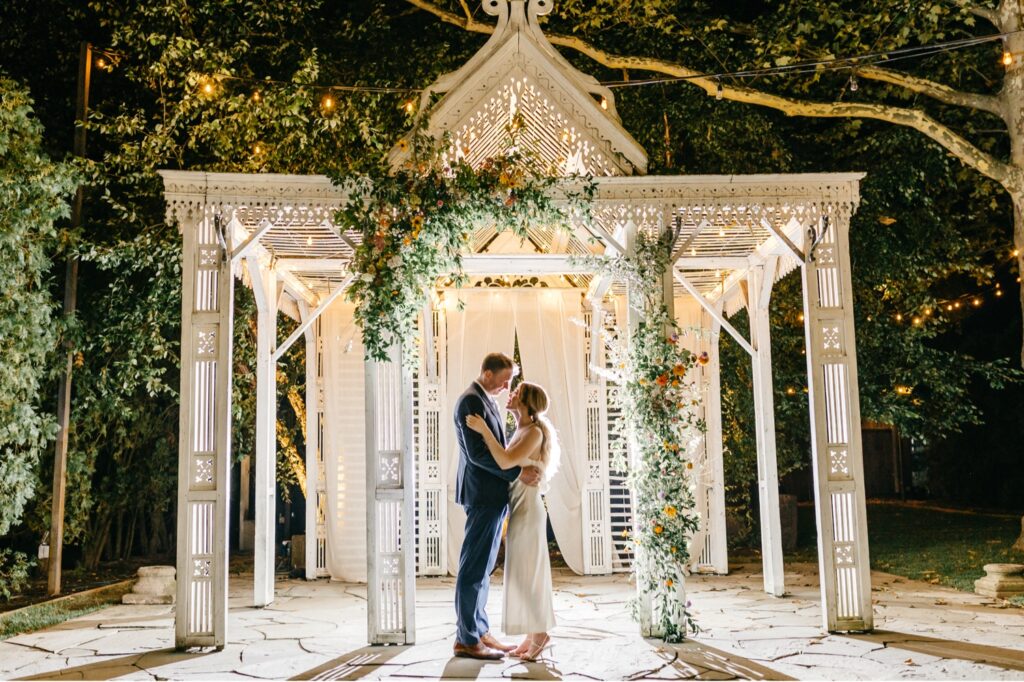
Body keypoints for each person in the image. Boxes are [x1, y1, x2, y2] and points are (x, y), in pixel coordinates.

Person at [452, 353, 542, 660]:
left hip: (493, 496)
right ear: (487, 373)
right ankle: (466, 638)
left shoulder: (485, 399)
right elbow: (478, 455)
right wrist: (518, 473)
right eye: (504, 380)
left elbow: (500, 447)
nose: (507, 386)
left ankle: (480, 629)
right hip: (481, 496)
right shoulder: (469, 402)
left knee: (485, 567)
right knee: (473, 569)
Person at [466, 380, 560, 662]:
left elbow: (506, 462)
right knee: (520, 575)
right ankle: (532, 635)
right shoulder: (522, 429)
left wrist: (483, 430)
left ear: (527, 403)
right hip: (518, 509)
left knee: (527, 575)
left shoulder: (533, 432)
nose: (511, 395)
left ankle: (541, 634)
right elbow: (511, 465)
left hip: (529, 512)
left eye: (517, 393)